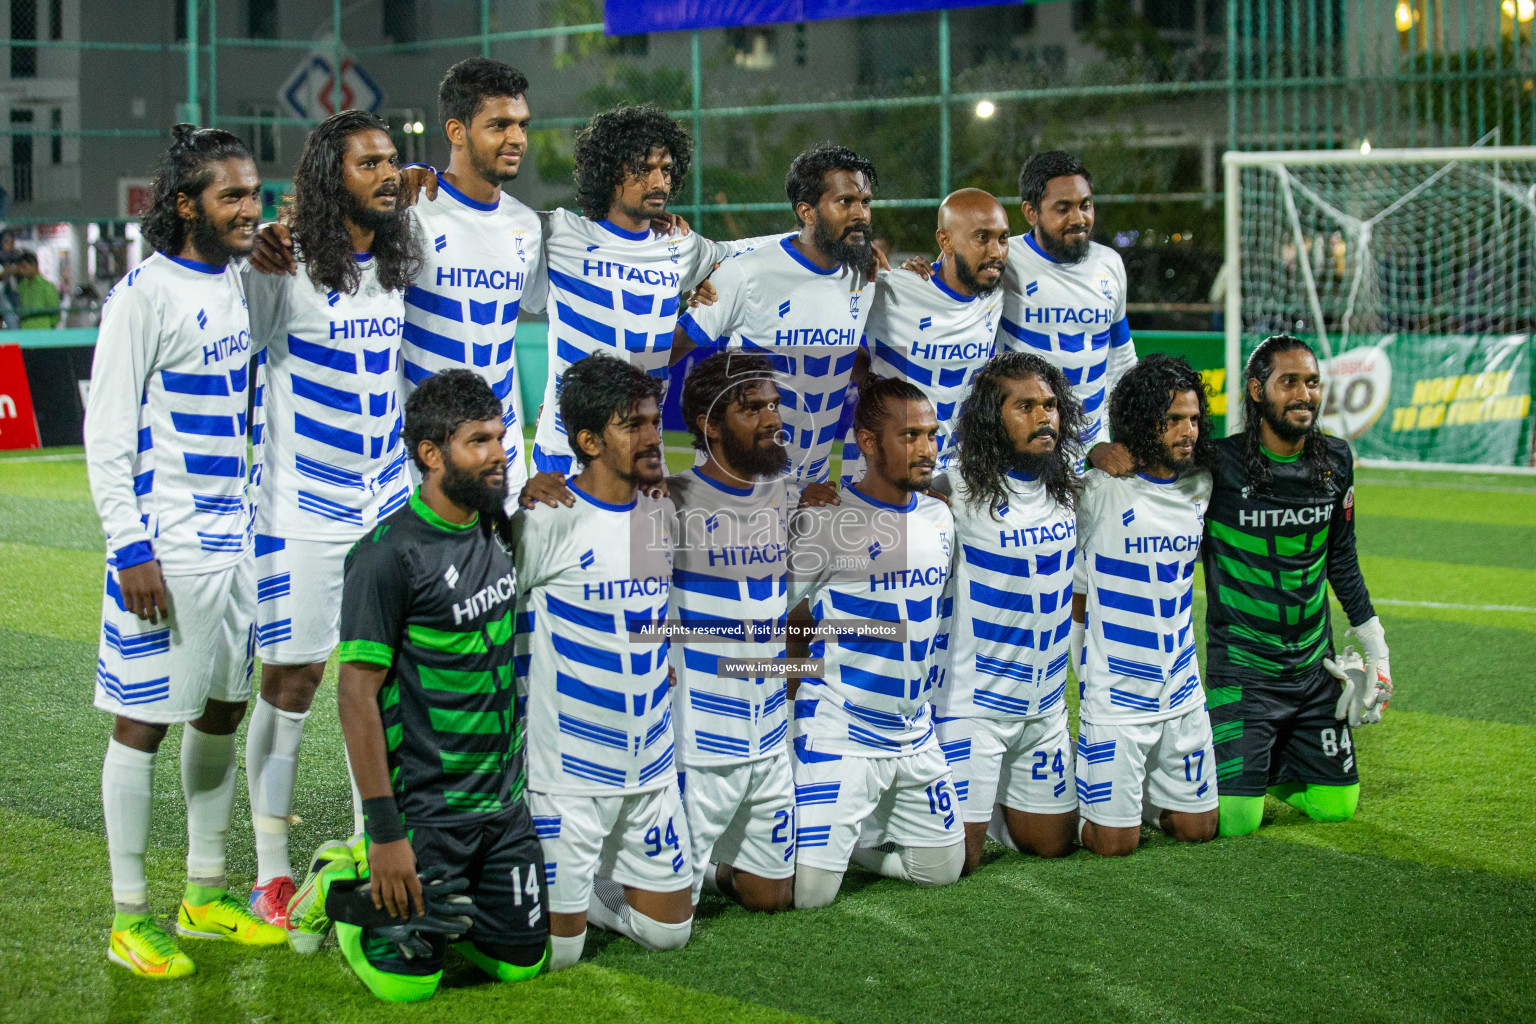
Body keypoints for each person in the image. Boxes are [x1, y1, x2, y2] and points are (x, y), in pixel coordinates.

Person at [84, 123, 282, 979]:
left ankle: (204, 895)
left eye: (253, 191)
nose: (249, 207)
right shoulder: (143, 295)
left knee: (222, 713)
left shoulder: (243, 282)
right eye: (230, 194)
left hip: (237, 545)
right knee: (143, 725)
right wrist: (128, 544)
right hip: (166, 550)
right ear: (185, 205)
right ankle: (129, 914)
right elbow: (105, 435)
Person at [241, 109, 422, 928]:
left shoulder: (393, 259)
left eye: (393, 161)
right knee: (292, 683)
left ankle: (365, 843)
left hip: (382, 500)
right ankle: (271, 872)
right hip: (300, 506)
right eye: (368, 165)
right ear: (328, 178)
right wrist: (252, 257)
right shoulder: (281, 263)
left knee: (379, 679)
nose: (388, 175)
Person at [324, 369, 548, 1001]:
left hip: (503, 809)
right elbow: (355, 694)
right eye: (478, 441)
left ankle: (469, 909)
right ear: (431, 454)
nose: (498, 454)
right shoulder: (385, 556)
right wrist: (386, 833)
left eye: (500, 438)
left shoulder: (496, 526)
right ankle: (342, 877)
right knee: (408, 989)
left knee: (520, 966)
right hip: (426, 813)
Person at [250, 59, 541, 500]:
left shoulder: (528, 225)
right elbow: (330, 222)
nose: (516, 138)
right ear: (456, 131)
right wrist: (262, 236)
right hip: (419, 462)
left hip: (505, 457)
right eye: (500, 125)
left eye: (522, 125)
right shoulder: (405, 210)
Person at [512, 353, 691, 969]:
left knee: (669, 935)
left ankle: (593, 890)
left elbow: (652, 607)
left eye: (652, 421)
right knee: (556, 957)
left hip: (650, 766)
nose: (651, 438)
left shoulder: (659, 513)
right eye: (632, 425)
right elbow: (495, 616)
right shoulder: (548, 519)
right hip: (569, 776)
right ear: (588, 441)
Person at [1203, 335, 1391, 837]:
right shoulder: (1217, 466)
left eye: (1312, 382)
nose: (1304, 394)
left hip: (1314, 670)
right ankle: (1230, 763)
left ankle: (1267, 761)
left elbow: (1342, 556)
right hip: (1243, 671)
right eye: (1289, 382)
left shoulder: (1336, 460)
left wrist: (1377, 652)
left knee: (1337, 807)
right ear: (1257, 390)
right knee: (1236, 822)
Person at [786, 376, 963, 908]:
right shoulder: (828, 521)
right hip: (840, 731)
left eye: (931, 435)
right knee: (806, 896)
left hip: (914, 734)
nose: (927, 449)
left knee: (943, 870)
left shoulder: (939, 517)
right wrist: (788, 694)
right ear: (867, 442)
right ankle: (709, 867)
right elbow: (779, 615)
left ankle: (852, 841)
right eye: (910, 436)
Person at [930, 352, 1083, 874]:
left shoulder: (1067, 492)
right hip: (976, 712)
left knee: (1055, 845)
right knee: (961, 864)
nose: (1045, 417)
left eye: (1050, 405)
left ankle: (993, 804)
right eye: (1026, 407)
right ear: (993, 420)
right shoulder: (954, 491)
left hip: (1044, 712)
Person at [1071, 354, 1219, 856]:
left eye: (1194, 419)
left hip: (1182, 690)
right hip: (1117, 696)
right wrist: (1091, 452)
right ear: (1141, 422)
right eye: (1172, 419)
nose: (1187, 431)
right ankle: (1079, 784)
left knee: (1199, 831)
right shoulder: (1100, 490)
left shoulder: (1201, 486)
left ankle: (1137, 794)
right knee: (1113, 846)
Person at [667, 351, 796, 912]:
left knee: (774, 897)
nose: (772, 419)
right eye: (752, 409)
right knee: (670, 918)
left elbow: (800, 610)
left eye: (773, 405)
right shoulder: (666, 501)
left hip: (769, 735)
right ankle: (604, 881)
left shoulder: (784, 490)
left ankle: (720, 862)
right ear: (709, 424)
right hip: (701, 741)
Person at [675, 144, 877, 488]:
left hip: (812, 485)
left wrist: (874, 380)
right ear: (807, 211)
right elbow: (667, 351)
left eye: (865, 202)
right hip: (740, 481)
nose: (861, 214)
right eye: (845, 202)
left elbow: (835, 350)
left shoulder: (864, 277)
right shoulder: (745, 273)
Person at [848, 187, 1007, 480]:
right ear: (945, 241)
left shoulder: (996, 294)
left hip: (958, 474)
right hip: (885, 473)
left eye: (1002, 238)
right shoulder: (891, 290)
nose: (996, 252)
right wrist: (849, 257)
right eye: (982, 238)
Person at [15, 252, 61, 329]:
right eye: (20, 267)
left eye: (24, 267)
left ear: (34, 266)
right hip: (25, 330)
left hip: (43, 330)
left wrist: (49, 326)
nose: (22, 270)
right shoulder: (21, 286)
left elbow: (55, 312)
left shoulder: (47, 286)